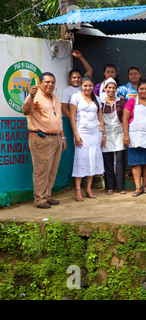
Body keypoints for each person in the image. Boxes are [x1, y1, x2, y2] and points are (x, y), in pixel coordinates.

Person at [22, 72, 67, 209]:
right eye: (47, 82)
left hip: (56, 138)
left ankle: (47, 196)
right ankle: (40, 199)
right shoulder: (35, 97)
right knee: (41, 170)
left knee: (52, 170)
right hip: (41, 138)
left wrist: (63, 137)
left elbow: (58, 120)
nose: (50, 84)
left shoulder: (54, 98)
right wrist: (31, 96)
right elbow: (25, 111)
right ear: (40, 83)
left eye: (52, 82)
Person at [69, 76, 106, 201]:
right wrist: (76, 135)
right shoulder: (76, 97)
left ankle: (88, 188)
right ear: (81, 86)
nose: (87, 88)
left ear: (93, 86)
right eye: (85, 86)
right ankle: (78, 189)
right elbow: (72, 117)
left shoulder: (97, 99)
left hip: (95, 133)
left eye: (90, 86)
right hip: (82, 133)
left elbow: (100, 119)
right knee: (81, 159)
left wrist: (103, 134)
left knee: (92, 159)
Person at [101, 78, 126, 195]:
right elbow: (99, 119)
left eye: (113, 88)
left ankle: (120, 187)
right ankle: (109, 186)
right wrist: (102, 134)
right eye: (109, 87)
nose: (111, 90)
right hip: (106, 133)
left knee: (120, 160)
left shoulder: (121, 101)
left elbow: (125, 118)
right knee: (108, 160)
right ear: (105, 89)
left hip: (119, 132)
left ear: (116, 89)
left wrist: (126, 133)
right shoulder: (101, 102)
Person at [61, 50, 93, 118]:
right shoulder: (67, 91)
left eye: (78, 77)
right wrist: (73, 119)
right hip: (77, 121)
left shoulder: (85, 87)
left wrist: (80, 57)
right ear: (69, 79)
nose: (76, 79)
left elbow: (89, 70)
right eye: (74, 77)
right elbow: (64, 107)